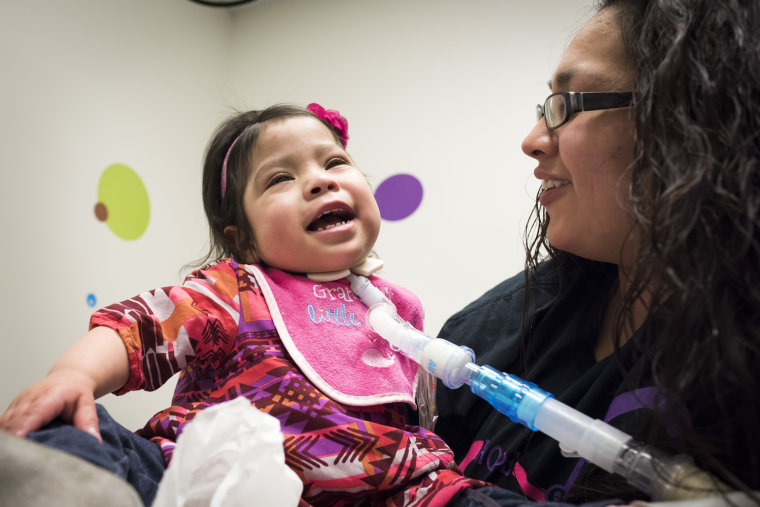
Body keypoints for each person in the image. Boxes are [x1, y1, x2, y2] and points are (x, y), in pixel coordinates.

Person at [0, 103, 488, 506]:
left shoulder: (396, 309)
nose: (319, 181)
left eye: (334, 162)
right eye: (279, 178)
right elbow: (141, 327)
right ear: (244, 240)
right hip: (214, 482)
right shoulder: (236, 289)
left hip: (387, 488)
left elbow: (419, 413)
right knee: (73, 435)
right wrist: (74, 377)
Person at [436, 0, 760, 505]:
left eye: (566, 104)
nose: (533, 141)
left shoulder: (738, 374)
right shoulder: (486, 333)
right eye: (545, 108)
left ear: (697, 116)